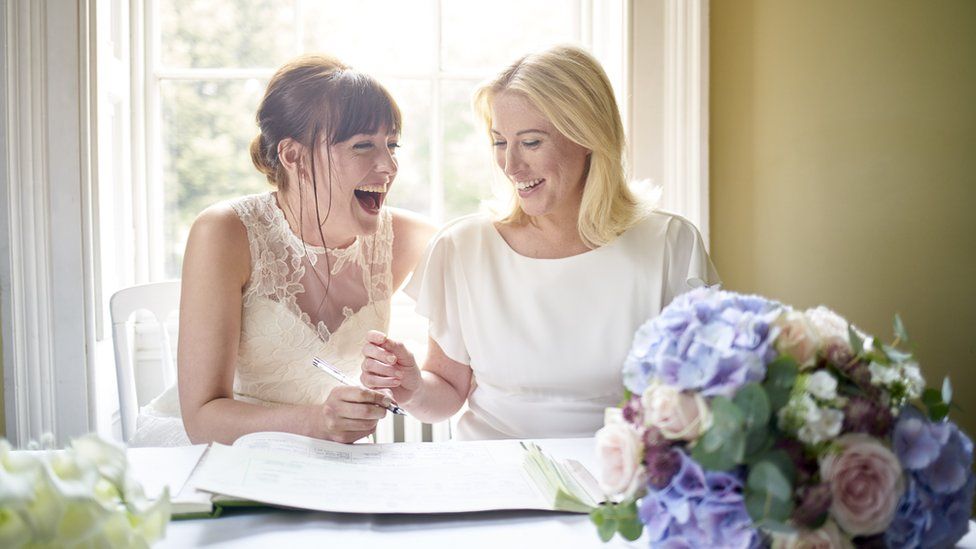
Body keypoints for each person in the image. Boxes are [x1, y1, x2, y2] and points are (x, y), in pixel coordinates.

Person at [360, 45, 719, 440]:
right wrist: (410, 386)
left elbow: (701, 401)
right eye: (500, 142)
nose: (511, 166)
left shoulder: (670, 245)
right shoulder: (463, 247)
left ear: (588, 138)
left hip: (617, 486)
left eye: (531, 142)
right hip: (492, 484)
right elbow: (446, 392)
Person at [130, 54, 435, 446]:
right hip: (215, 452)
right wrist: (318, 423)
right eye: (363, 146)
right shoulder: (225, 232)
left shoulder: (407, 238)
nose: (389, 165)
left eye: (392, 145)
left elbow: (481, 249)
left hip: (320, 461)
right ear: (294, 157)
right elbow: (202, 417)